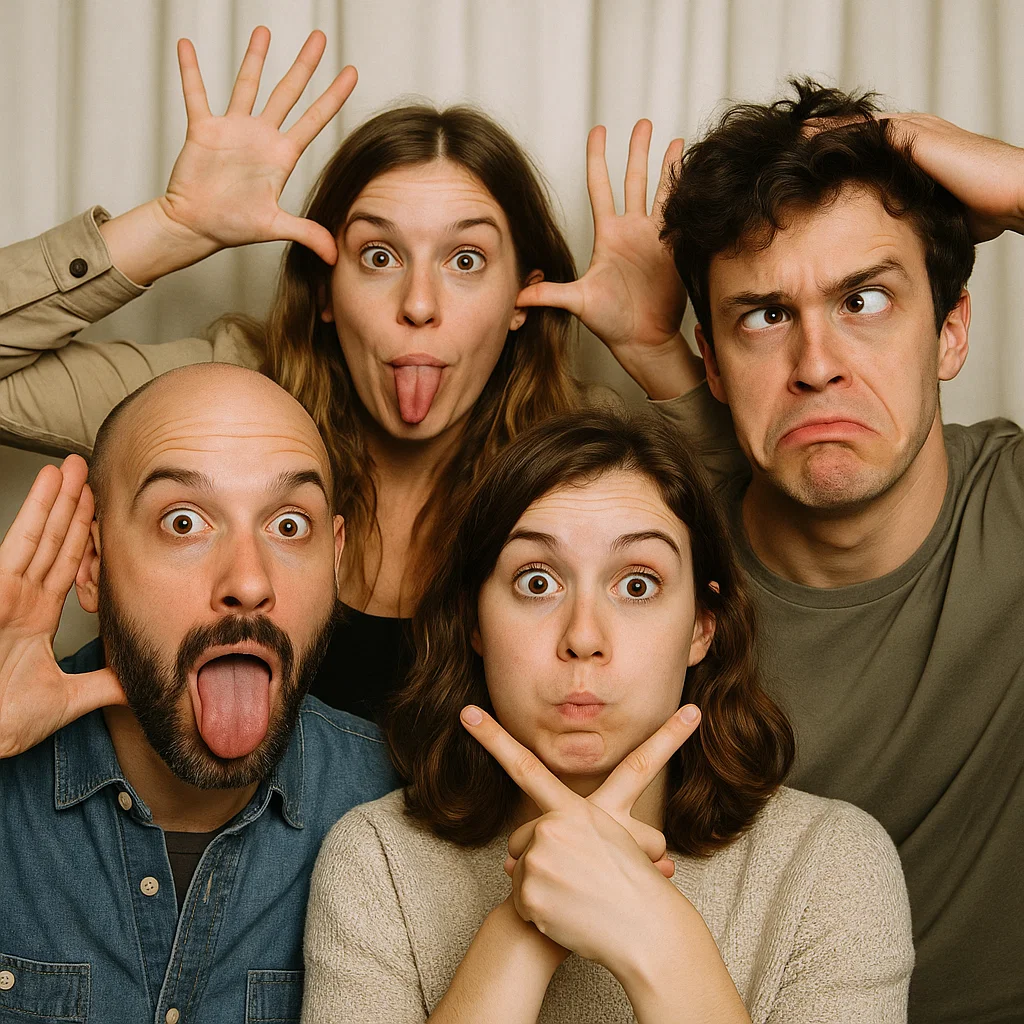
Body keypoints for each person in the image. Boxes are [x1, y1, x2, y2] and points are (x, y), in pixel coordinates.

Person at [0, 27, 685, 721]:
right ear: (326, 290)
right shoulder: (221, 408)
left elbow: (741, 531)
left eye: (466, 260)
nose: (419, 304)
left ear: (522, 298)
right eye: (380, 256)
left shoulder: (583, 447)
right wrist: (173, 227)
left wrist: (656, 350)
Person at [301, 411, 913, 1024]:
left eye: (638, 586)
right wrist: (523, 927)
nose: (584, 637)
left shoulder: (829, 863)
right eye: (536, 582)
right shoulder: (378, 860)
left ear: (702, 626)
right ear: (473, 622)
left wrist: (654, 935)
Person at [635, 79, 1022, 1023]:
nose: (816, 365)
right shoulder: (644, 568)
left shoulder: (1013, 506)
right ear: (712, 363)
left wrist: (1015, 187)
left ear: (951, 332)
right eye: (765, 316)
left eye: (865, 299)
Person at [0, 363, 398, 1023]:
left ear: (335, 562)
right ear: (92, 565)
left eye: (289, 526)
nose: (248, 581)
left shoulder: (397, 807)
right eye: (183, 522)